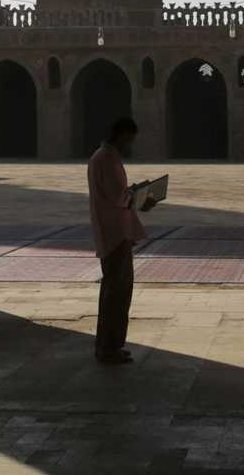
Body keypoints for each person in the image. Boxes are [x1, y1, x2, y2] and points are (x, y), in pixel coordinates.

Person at [87, 116, 154, 364]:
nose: (130, 144)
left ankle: (110, 345)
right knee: (116, 292)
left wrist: (133, 192)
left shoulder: (104, 156)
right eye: (130, 138)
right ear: (123, 134)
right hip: (114, 233)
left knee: (114, 291)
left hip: (114, 231)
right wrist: (142, 198)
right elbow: (118, 197)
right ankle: (108, 348)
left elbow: (116, 193)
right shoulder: (106, 158)